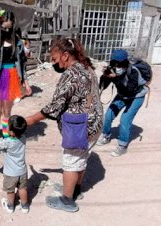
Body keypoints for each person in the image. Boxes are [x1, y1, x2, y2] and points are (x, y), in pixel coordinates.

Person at [25, 38, 103, 212]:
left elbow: (54, 106)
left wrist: (31, 120)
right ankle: (75, 190)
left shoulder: (71, 74)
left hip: (80, 127)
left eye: (54, 59)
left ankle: (67, 201)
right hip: (95, 123)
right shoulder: (87, 67)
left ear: (65, 55)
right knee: (81, 158)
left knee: (70, 162)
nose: (53, 63)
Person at [0, 10, 31, 140]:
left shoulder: (18, 42)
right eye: (4, 27)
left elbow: (22, 65)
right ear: (0, 25)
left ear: (13, 25)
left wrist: (26, 83)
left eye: (10, 27)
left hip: (12, 77)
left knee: (7, 112)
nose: (7, 30)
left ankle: (5, 136)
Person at [96, 49, 148, 157]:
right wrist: (105, 77)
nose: (117, 66)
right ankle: (106, 136)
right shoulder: (113, 70)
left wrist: (115, 78)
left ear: (125, 62)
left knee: (125, 119)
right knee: (108, 115)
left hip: (136, 97)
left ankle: (123, 145)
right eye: (115, 63)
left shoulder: (133, 71)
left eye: (119, 64)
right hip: (121, 96)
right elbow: (103, 87)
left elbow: (128, 90)